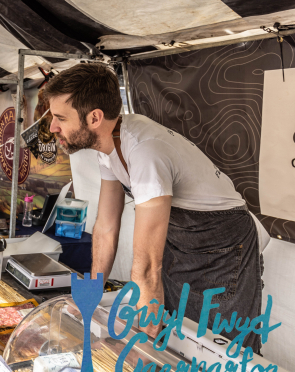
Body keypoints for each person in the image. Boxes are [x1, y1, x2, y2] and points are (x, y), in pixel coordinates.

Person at [44, 63, 268, 351]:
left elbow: (148, 264)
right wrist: (93, 293)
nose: (53, 127)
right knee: (180, 344)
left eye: (60, 118)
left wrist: (144, 344)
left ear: (95, 118)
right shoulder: (109, 143)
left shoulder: (144, 150)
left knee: (221, 352)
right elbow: (106, 226)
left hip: (221, 247)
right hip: (183, 244)